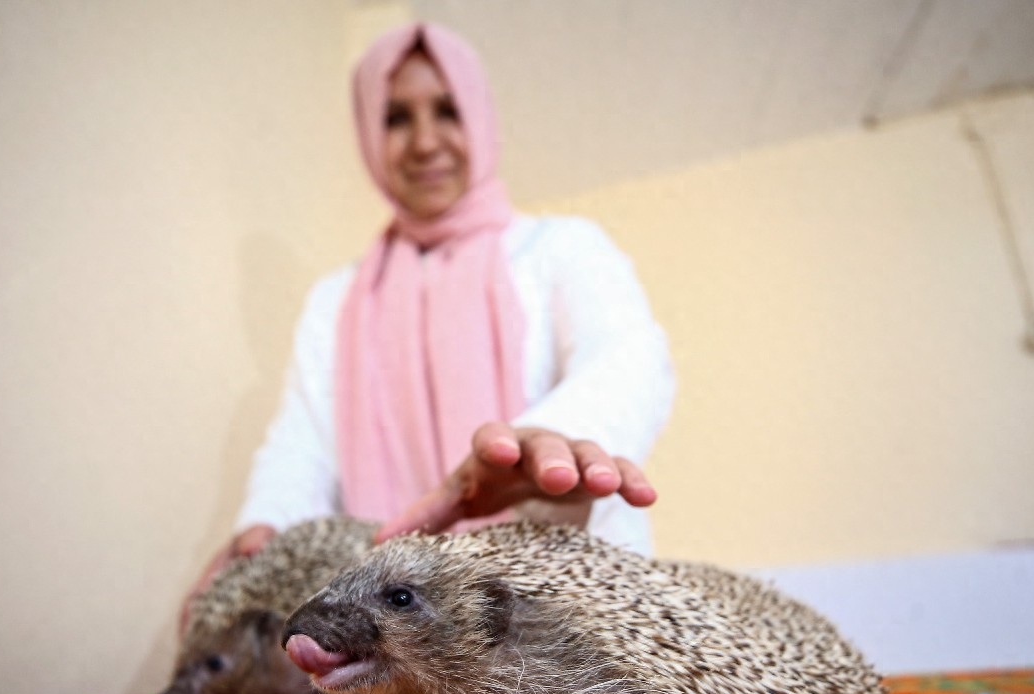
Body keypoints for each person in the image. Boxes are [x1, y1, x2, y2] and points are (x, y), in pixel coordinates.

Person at [191, 22, 674, 604]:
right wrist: (264, 531)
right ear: (368, 133)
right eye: (396, 118)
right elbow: (302, 445)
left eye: (448, 110)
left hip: (567, 608)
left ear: (480, 117)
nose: (424, 142)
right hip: (399, 630)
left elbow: (627, 360)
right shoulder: (336, 300)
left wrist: (534, 452)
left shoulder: (562, 249)